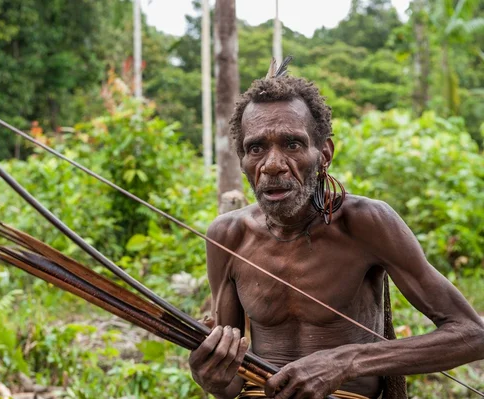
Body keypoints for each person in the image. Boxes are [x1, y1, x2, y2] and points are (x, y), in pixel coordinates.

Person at [188, 64, 484, 399]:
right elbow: (230, 384)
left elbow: (472, 334)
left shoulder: (365, 223)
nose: (272, 164)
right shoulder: (227, 236)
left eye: (292, 144)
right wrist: (210, 377)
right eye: (256, 148)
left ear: (324, 153)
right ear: (242, 160)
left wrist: (347, 360)